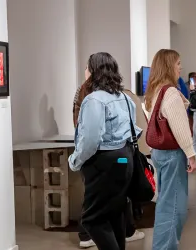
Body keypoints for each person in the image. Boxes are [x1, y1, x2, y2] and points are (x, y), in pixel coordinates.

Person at [69, 52, 142, 250]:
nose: (85, 71)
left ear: (93, 71)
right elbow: (134, 130)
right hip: (125, 158)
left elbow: (90, 140)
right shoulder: (124, 97)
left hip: (104, 163)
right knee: (115, 214)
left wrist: (75, 160)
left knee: (92, 219)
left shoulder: (94, 100)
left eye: (86, 67)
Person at [145, 49, 196, 250]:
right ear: (168, 66)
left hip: (159, 154)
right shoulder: (170, 93)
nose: (180, 67)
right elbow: (180, 128)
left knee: (166, 204)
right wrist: (191, 155)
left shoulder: (154, 92)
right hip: (173, 155)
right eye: (178, 64)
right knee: (174, 207)